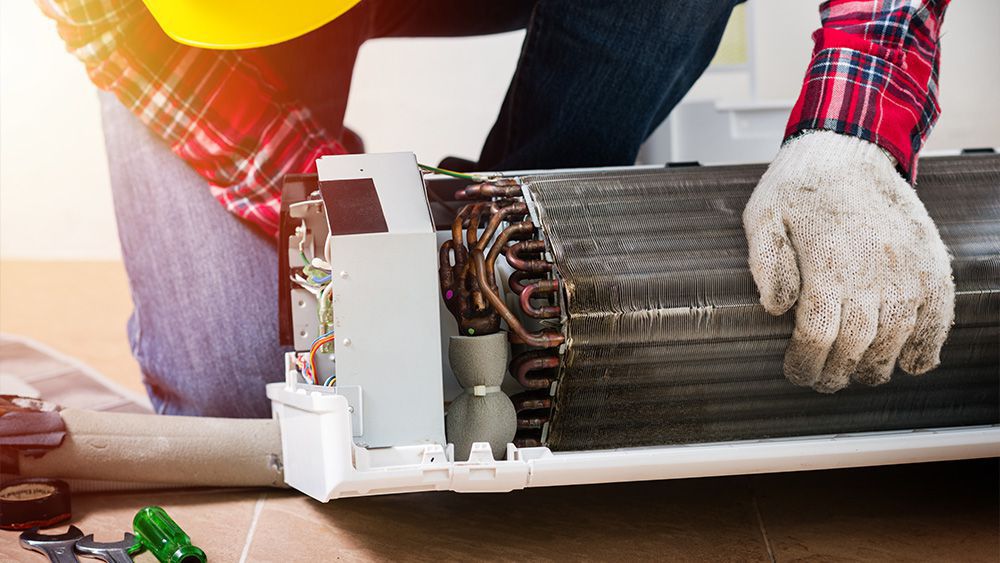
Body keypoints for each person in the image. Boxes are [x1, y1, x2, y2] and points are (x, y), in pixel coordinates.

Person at [38, 0, 953, 417]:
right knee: (247, 398)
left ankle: (533, 272)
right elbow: (118, 31)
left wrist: (853, 139)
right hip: (238, 24)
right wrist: (370, 228)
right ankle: (488, 269)